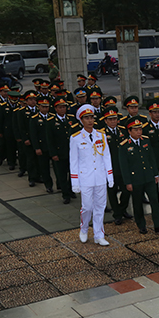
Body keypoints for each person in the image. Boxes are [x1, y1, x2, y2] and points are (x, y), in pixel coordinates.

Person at [70, 104, 113, 246]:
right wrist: (75, 182)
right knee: (87, 207)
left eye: (91, 117)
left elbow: (106, 156)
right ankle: (83, 229)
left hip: (100, 176)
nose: (90, 120)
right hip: (85, 178)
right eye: (86, 118)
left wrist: (110, 176)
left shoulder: (101, 135)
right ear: (81, 120)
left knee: (100, 207)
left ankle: (99, 235)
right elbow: (74, 162)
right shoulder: (76, 138)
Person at [119, 116, 159, 234]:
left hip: (149, 177)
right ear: (129, 131)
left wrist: (155, 174)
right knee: (137, 204)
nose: (139, 132)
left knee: (155, 201)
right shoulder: (124, 145)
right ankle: (141, 225)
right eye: (135, 130)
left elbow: (151, 158)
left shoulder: (145, 140)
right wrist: (128, 182)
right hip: (136, 179)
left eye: (140, 129)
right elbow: (124, 166)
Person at [102, 106, 133, 224]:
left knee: (126, 191)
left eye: (114, 119)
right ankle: (117, 214)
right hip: (110, 168)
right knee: (112, 192)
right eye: (110, 119)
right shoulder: (102, 134)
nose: (113, 121)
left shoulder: (123, 131)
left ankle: (122, 209)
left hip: (123, 167)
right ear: (105, 121)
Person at [46, 98, 80, 204]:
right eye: (60, 107)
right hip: (59, 153)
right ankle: (65, 194)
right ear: (55, 108)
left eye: (64, 107)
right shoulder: (51, 122)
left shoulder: (71, 119)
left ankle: (70, 190)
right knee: (62, 175)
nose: (62, 109)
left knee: (72, 173)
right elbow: (49, 140)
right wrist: (53, 154)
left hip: (71, 152)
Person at [30, 97, 54, 194]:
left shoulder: (52, 117)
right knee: (44, 168)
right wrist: (37, 147)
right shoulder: (34, 119)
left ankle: (61, 185)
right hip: (42, 147)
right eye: (42, 107)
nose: (45, 109)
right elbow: (33, 135)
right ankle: (48, 185)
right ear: (38, 107)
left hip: (52, 147)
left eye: (46, 107)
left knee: (57, 168)